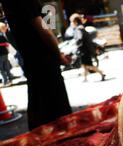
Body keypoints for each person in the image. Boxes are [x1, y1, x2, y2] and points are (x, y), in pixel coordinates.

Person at [1, 0, 72, 130]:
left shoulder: (9, 4)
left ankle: (41, 139)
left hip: (31, 60)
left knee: (39, 105)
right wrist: (59, 55)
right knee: (57, 108)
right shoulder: (27, 2)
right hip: (44, 60)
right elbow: (45, 30)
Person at [72, 15, 106, 82]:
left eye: (73, 22)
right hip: (85, 49)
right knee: (84, 65)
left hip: (84, 50)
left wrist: (77, 43)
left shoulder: (79, 28)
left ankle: (102, 73)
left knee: (88, 65)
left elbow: (80, 38)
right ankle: (85, 78)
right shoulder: (81, 27)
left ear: (75, 21)